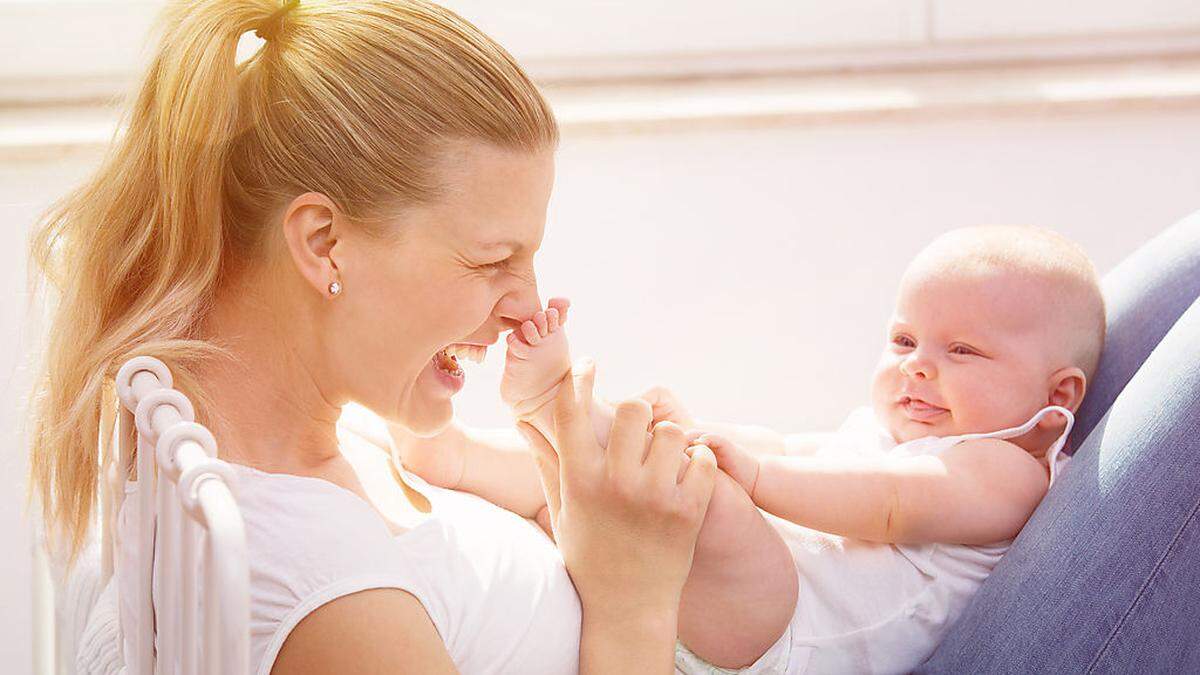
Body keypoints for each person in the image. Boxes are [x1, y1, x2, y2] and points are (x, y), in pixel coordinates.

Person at [26, 0, 719, 673]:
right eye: (491, 260)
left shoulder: (329, 426)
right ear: (325, 244)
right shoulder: (328, 595)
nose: (529, 304)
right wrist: (635, 604)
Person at [396, 224, 1106, 673]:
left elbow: (889, 505)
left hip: (793, 635)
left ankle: (564, 408)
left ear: (1059, 397)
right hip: (717, 608)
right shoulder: (890, 432)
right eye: (903, 340)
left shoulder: (1010, 469)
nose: (919, 365)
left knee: (700, 491)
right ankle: (463, 458)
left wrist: (750, 474)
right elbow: (792, 445)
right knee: (646, 480)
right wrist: (719, 438)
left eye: (962, 350)